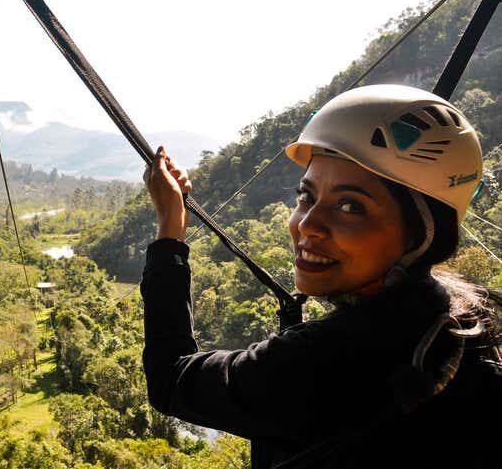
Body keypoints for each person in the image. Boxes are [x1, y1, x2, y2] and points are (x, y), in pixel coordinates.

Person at [141, 84, 502, 469]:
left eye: (350, 206)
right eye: (305, 196)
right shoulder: (463, 312)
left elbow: (170, 378)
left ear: (421, 236)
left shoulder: (321, 363)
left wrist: (170, 230)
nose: (308, 225)